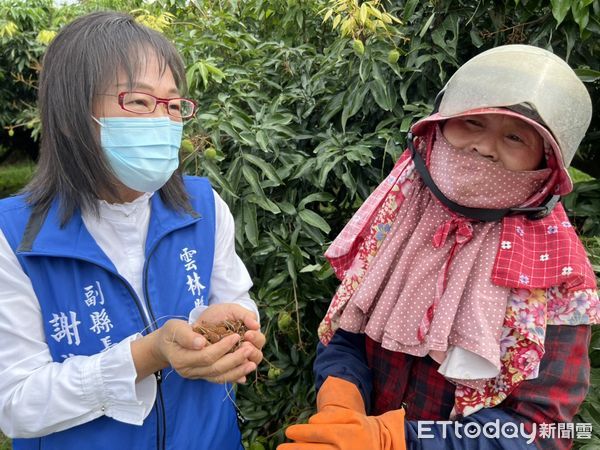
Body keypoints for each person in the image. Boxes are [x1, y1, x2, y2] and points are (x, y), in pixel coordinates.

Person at [279, 45, 599, 449]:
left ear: (545, 168)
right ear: (437, 128)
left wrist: (398, 440)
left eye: (515, 136)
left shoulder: (556, 275)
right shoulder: (400, 217)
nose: (483, 146)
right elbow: (349, 333)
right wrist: (340, 403)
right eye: (471, 122)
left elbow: (547, 430)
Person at [0, 11, 265, 450]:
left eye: (174, 105)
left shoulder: (203, 206)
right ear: (70, 115)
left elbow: (233, 297)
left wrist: (233, 325)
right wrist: (148, 354)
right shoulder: (14, 237)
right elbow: (16, 403)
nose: (163, 122)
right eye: (139, 102)